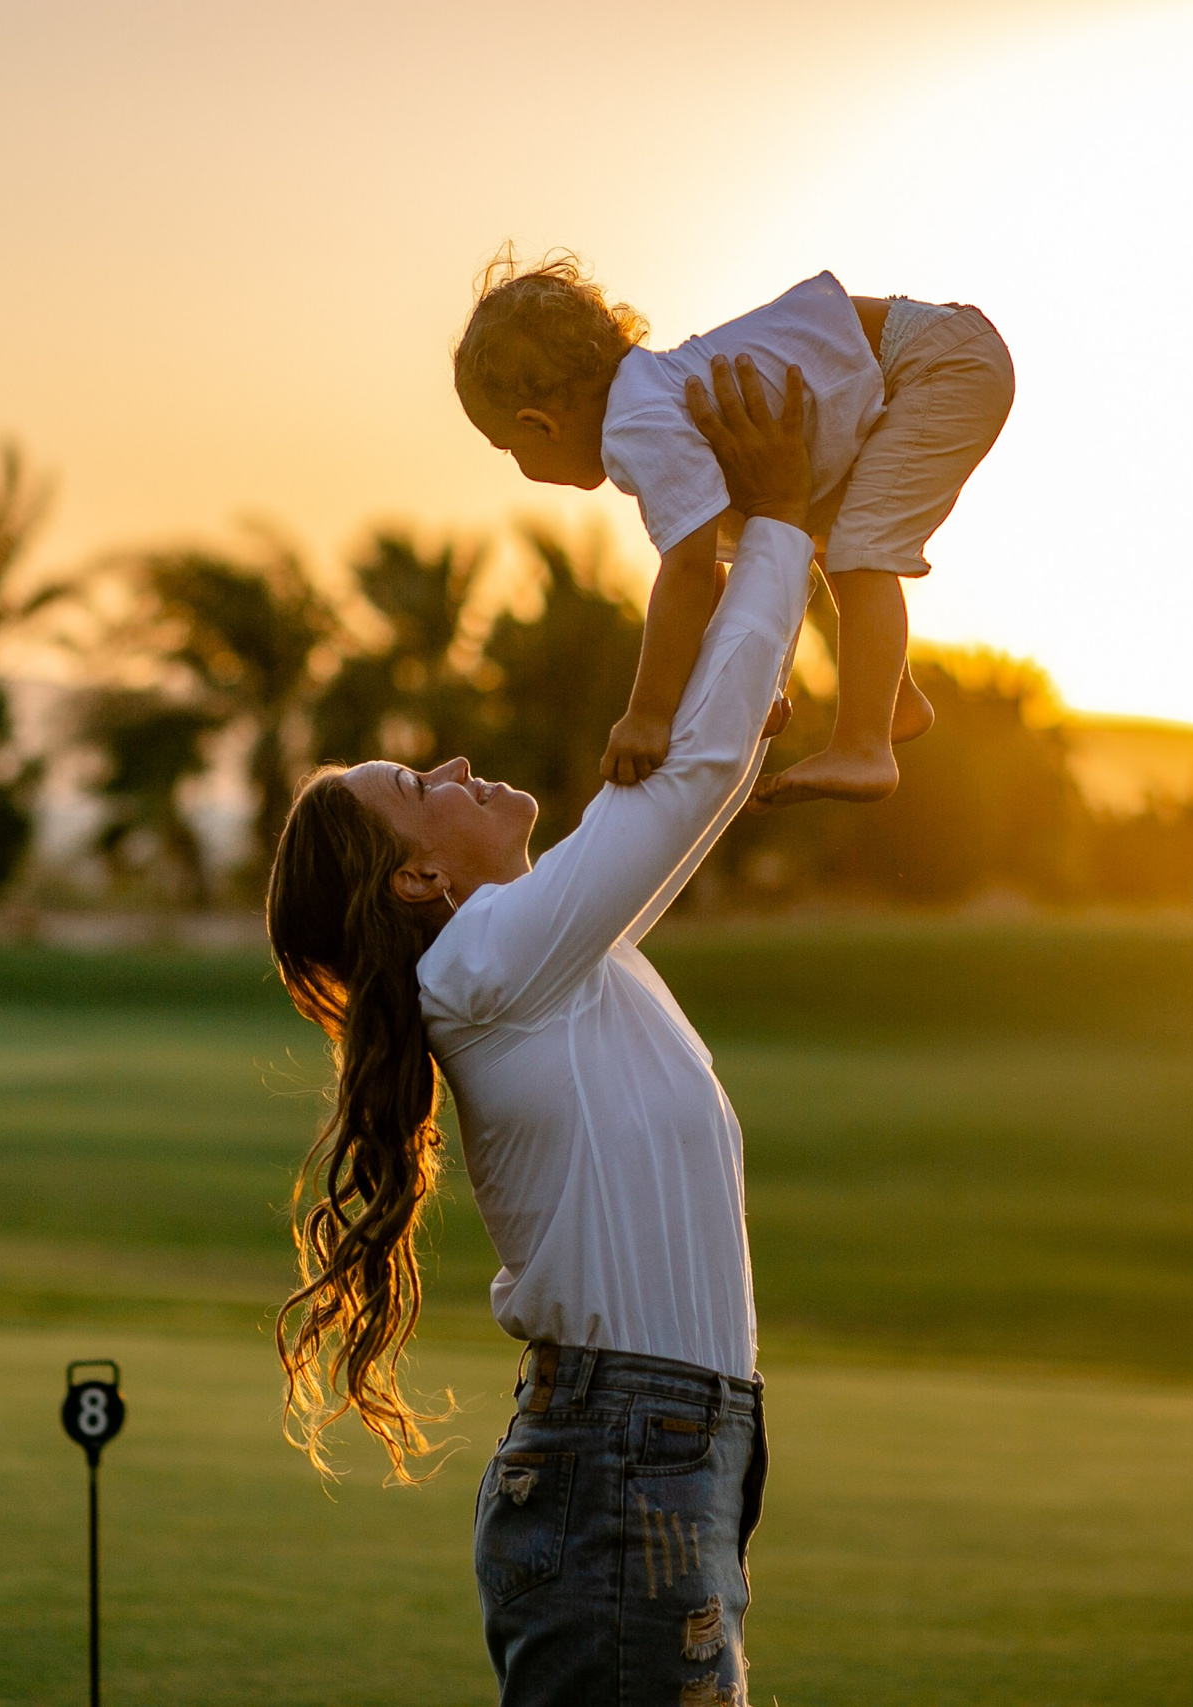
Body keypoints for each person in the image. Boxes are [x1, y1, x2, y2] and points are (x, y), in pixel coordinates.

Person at [265, 355, 815, 1707]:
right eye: (418, 785)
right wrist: (784, 521)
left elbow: (703, 783)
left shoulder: (546, 959)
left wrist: (748, 613)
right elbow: (687, 779)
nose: (454, 765)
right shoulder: (489, 961)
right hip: (626, 1458)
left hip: (668, 1450)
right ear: (417, 880)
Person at [453, 250, 1015, 808]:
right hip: (938, 353)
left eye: (509, 448)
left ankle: (864, 745)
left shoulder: (638, 423)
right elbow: (732, 573)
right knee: (829, 539)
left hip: (936, 365)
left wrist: (647, 715)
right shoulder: (653, 401)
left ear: (539, 424)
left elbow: (690, 574)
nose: (519, 465)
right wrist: (752, 686)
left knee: (862, 548)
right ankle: (893, 698)